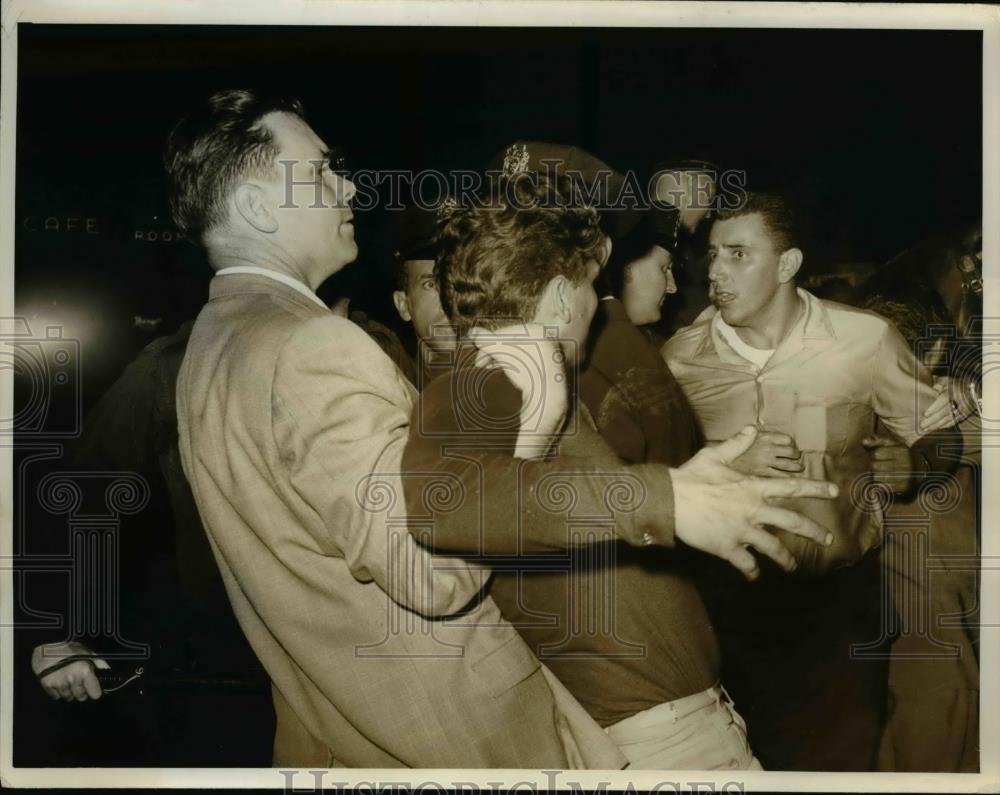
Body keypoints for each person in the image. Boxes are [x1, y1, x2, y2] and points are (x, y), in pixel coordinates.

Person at [166, 89, 627, 769]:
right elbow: (430, 571)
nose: (348, 185)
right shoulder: (314, 346)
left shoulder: (212, 342)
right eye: (320, 170)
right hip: (465, 738)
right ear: (259, 208)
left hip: (350, 731)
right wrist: (533, 422)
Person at [403, 173, 843, 769]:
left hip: (671, 726)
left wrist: (685, 481)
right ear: (562, 296)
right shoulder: (494, 379)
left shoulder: (526, 382)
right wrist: (667, 500)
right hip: (656, 742)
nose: (595, 307)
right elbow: (445, 500)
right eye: (592, 287)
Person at [660, 192, 964, 771]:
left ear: (788, 264)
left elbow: (940, 432)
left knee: (839, 767)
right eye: (714, 254)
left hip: (838, 606)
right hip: (725, 607)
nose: (716, 272)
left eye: (739, 254)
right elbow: (649, 475)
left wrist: (918, 465)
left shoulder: (864, 341)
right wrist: (720, 461)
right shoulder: (679, 359)